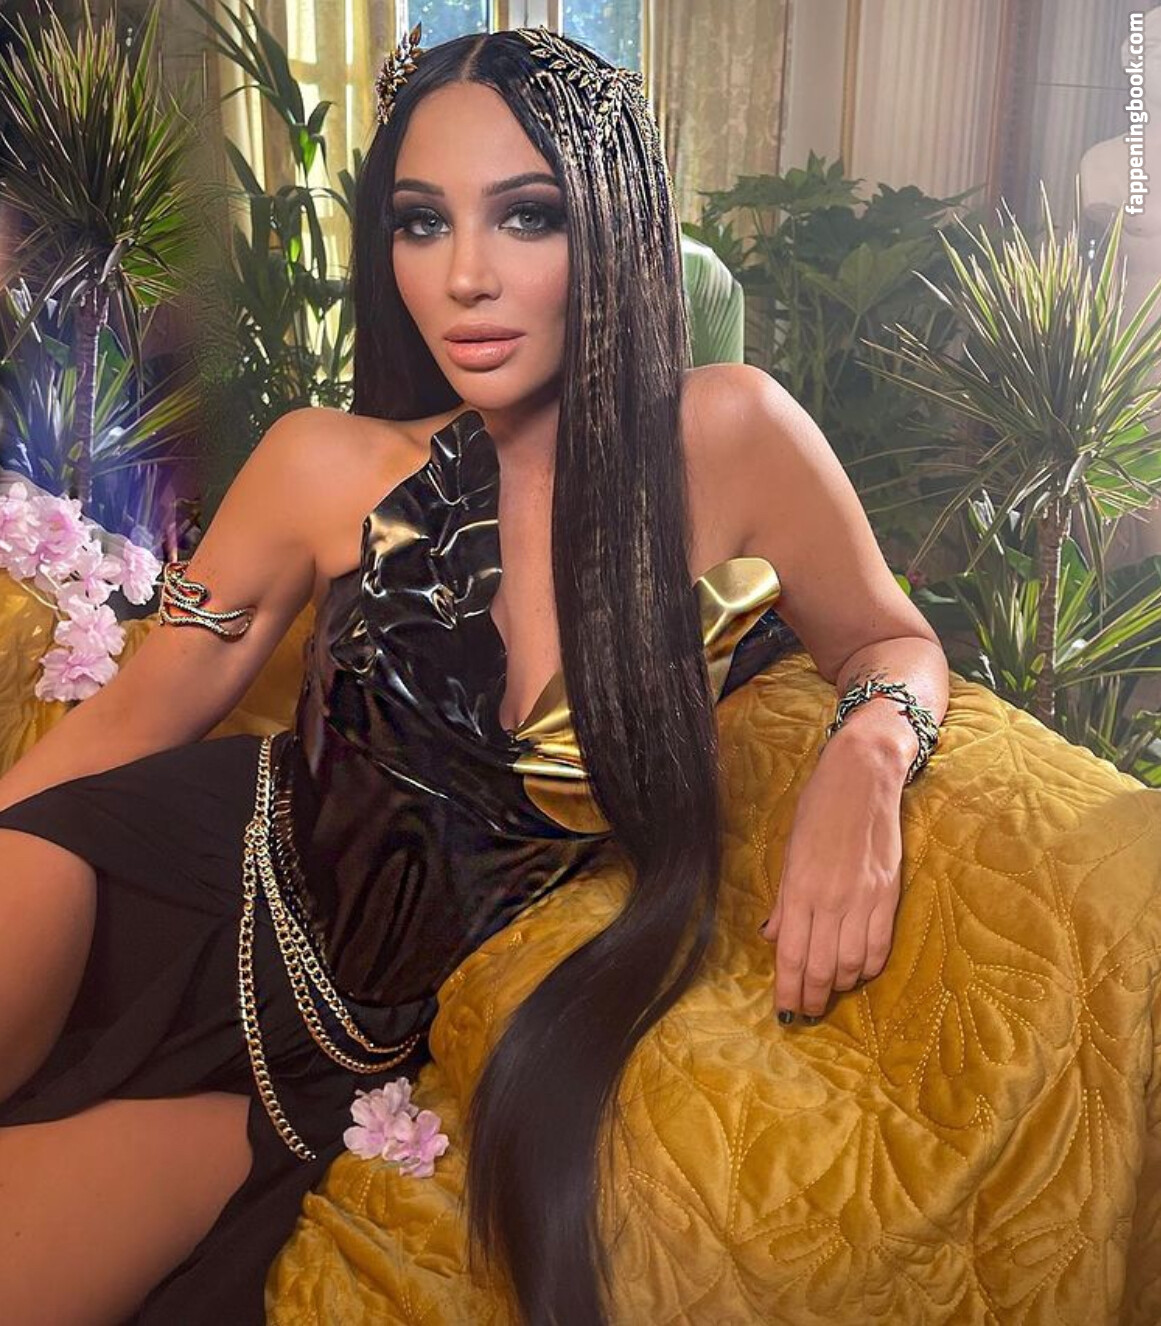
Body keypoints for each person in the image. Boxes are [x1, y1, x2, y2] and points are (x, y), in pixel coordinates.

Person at [0, 23, 948, 1326]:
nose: (463, 277)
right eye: (421, 222)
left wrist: (869, 753)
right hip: (159, 874)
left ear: (610, 225)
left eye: (524, 216)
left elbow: (890, 639)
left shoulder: (731, 432)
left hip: (338, 1051)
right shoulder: (322, 461)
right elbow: (129, 722)